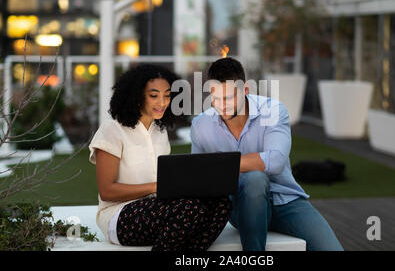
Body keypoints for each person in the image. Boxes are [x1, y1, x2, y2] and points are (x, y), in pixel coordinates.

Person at [190, 57, 343, 251]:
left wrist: (218, 165)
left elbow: (276, 160)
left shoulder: (272, 111)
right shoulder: (201, 125)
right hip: (238, 206)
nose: (222, 104)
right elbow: (197, 176)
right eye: (215, 97)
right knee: (254, 179)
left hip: (284, 202)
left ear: (245, 90)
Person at [89, 64, 232, 251]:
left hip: (159, 208)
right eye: (154, 95)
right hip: (119, 216)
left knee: (222, 204)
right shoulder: (112, 130)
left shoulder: (159, 132)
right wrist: (157, 187)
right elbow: (107, 191)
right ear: (137, 96)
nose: (163, 102)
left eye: (167, 95)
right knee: (190, 207)